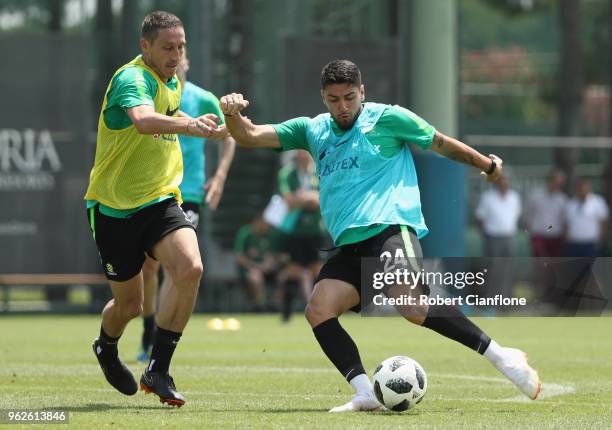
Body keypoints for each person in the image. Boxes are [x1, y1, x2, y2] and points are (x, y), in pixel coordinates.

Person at [219, 59, 541, 412]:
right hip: (349, 245)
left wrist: (487, 165)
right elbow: (248, 135)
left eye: (349, 97)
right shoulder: (313, 130)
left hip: (390, 228)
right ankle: (365, 393)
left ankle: (502, 357)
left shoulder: (389, 119)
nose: (342, 107)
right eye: (333, 99)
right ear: (323, 98)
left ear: (363, 92)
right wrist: (232, 113)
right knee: (319, 309)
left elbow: (442, 143)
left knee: (411, 304)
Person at [85, 11, 226, 407]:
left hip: (161, 199)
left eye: (181, 47)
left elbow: (167, 113)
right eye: (167, 47)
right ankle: (106, 345)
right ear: (144, 46)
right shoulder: (130, 79)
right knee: (130, 305)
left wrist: (195, 121)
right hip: (113, 209)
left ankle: (158, 369)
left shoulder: (172, 81)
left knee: (191, 267)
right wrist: (189, 127)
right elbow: (145, 121)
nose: (175, 55)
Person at [137, 47, 236, 362]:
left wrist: (219, 177)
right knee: (147, 267)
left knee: (176, 265)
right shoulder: (150, 92)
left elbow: (231, 134)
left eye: (181, 54)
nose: (175, 60)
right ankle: (147, 329)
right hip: (151, 190)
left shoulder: (201, 97)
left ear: (187, 63)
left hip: (187, 192)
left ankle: (156, 346)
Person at [276, 150, 326, 321]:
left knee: (317, 269)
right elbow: (288, 200)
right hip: (294, 230)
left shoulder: (320, 171)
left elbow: (325, 199)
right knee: (293, 271)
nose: (303, 155)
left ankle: (322, 309)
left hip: (315, 230)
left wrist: (303, 198)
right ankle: (287, 313)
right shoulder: (288, 173)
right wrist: (311, 199)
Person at [475, 175, 521, 299]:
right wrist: (486, 234)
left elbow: (516, 215)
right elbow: (479, 218)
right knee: (492, 269)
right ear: (496, 184)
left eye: (506, 182)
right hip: (493, 237)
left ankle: (506, 299)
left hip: (509, 237)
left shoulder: (514, 197)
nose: (503, 185)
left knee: (508, 269)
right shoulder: (488, 197)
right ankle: (490, 299)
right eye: (501, 182)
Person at [234, 215, 280, 310]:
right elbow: (239, 258)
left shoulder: (269, 234)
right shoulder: (245, 233)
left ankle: (274, 305)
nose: (267, 227)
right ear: (258, 222)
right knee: (256, 276)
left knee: (284, 277)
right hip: (249, 270)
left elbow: (274, 255)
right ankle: (261, 306)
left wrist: (270, 263)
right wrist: (258, 266)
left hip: (268, 270)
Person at [525, 170, 567, 258]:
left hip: (555, 236)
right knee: (539, 265)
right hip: (538, 235)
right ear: (550, 181)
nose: (557, 185)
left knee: (554, 265)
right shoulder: (535, 196)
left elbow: (563, 219)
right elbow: (529, 214)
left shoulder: (562, 199)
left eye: (560, 183)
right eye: (556, 182)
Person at [563, 178, 609, 257]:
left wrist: (601, 239)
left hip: (591, 244)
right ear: (577, 189)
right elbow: (566, 223)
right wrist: (566, 239)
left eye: (585, 188)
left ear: (589, 188)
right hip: (573, 243)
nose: (582, 190)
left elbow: (604, 222)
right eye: (580, 187)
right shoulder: (570, 204)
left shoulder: (597, 202)